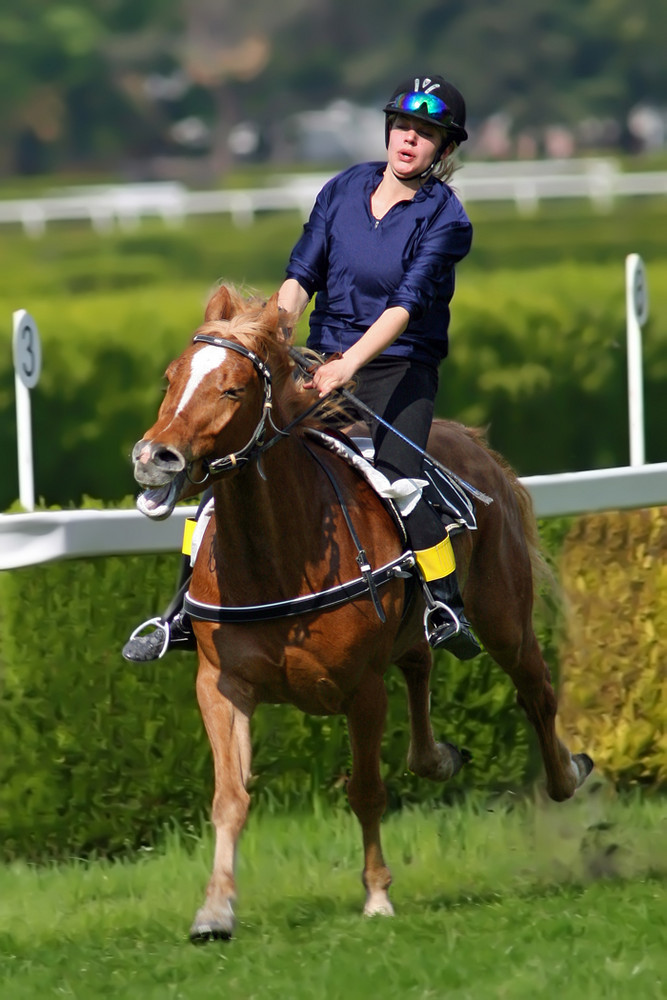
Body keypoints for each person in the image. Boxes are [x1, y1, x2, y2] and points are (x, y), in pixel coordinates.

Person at [122, 72, 480, 663]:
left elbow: (403, 308)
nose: (409, 140)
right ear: (389, 129)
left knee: (400, 485)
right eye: (403, 127)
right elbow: (300, 278)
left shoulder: (446, 219)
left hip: (397, 373)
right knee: (235, 463)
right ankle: (183, 612)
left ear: (445, 149)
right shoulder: (342, 189)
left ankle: (443, 605)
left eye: (426, 133)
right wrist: (272, 337)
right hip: (317, 364)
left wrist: (350, 365)